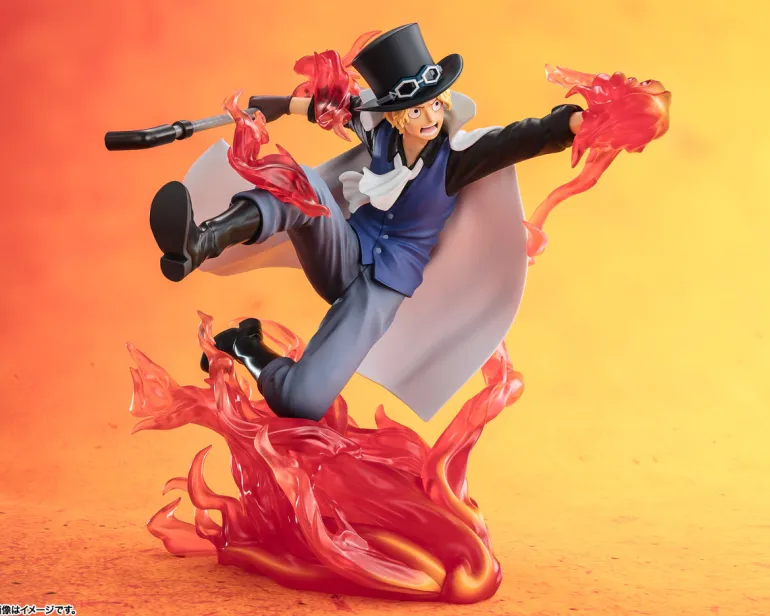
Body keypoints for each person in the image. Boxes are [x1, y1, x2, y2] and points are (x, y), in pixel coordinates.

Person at [148, 23, 584, 421]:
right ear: (396, 114)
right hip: (342, 252)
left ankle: (244, 344)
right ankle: (201, 241)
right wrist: (279, 106)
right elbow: (334, 109)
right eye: (416, 111)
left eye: (435, 105)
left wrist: (576, 123)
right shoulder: (381, 133)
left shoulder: (456, 160)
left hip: (381, 288)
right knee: (304, 185)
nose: (430, 118)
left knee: (300, 402)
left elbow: (521, 138)